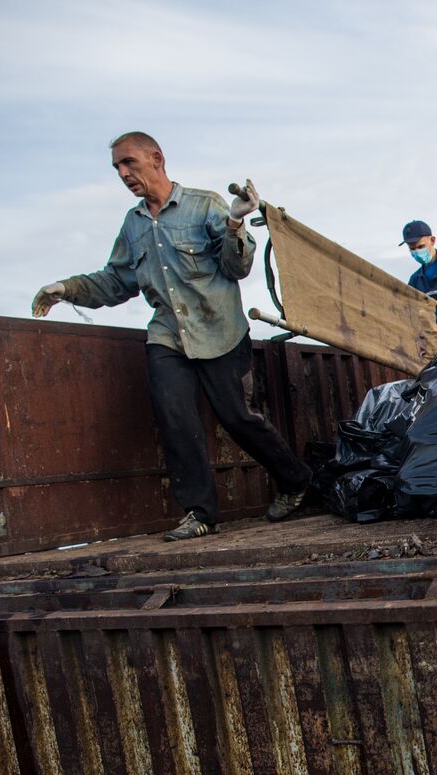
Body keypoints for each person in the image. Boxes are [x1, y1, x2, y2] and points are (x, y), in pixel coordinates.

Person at [31, 131, 313, 541]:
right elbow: (116, 280)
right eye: (117, 168)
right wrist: (67, 289)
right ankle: (199, 513)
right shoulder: (133, 225)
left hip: (220, 330)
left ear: (157, 158)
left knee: (238, 417)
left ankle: (295, 480)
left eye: (129, 163)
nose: (124, 173)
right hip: (167, 336)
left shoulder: (204, 206)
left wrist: (234, 221)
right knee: (175, 418)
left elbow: (237, 268)